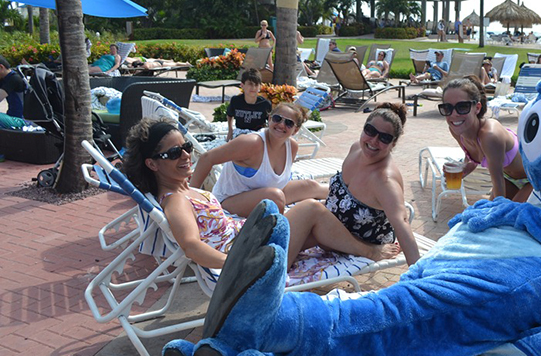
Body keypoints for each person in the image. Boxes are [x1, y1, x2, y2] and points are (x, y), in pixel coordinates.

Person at [122, 118, 399, 275]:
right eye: (173, 153)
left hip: (251, 239)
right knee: (310, 210)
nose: (184, 155)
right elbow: (191, 247)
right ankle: (369, 251)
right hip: (251, 257)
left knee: (318, 221)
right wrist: (236, 264)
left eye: (184, 147)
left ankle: (361, 243)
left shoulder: (185, 189)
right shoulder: (176, 201)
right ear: (152, 164)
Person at [323, 102, 420, 264]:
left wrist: (418, 277)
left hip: (365, 243)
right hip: (334, 232)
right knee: (304, 198)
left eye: (384, 138)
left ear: (393, 144)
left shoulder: (385, 180)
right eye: (370, 131)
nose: (374, 141)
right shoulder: (355, 149)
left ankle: (273, 276)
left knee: (310, 211)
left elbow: (402, 223)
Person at [190, 102, 327, 215]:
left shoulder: (292, 147)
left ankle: (345, 196)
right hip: (229, 201)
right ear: (269, 119)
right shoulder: (252, 143)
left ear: (295, 130)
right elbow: (207, 158)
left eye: (289, 123)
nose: (281, 125)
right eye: (277, 119)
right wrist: (191, 199)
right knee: (276, 198)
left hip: (268, 193)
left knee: (310, 185)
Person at [441, 76, 533, 202]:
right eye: (447, 108)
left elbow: (498, 187)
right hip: (508, 177)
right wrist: (466, 166)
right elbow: (474, 151)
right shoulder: (457, 130)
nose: (454, 114)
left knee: (508, 216)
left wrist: (495, 213)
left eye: (462, 107)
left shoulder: (490, 135)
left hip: (533, 176)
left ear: (477, 108)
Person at [226, 69, 272, 141]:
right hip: (240, 133)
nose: (253, 88)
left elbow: (271, 120)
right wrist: (230, 130)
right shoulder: (235, 101)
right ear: (242, 85)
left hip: (257, 135)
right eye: (250, 84)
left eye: (256, 85)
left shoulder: (265, 104)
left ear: (260, 87)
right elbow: (229, 115)